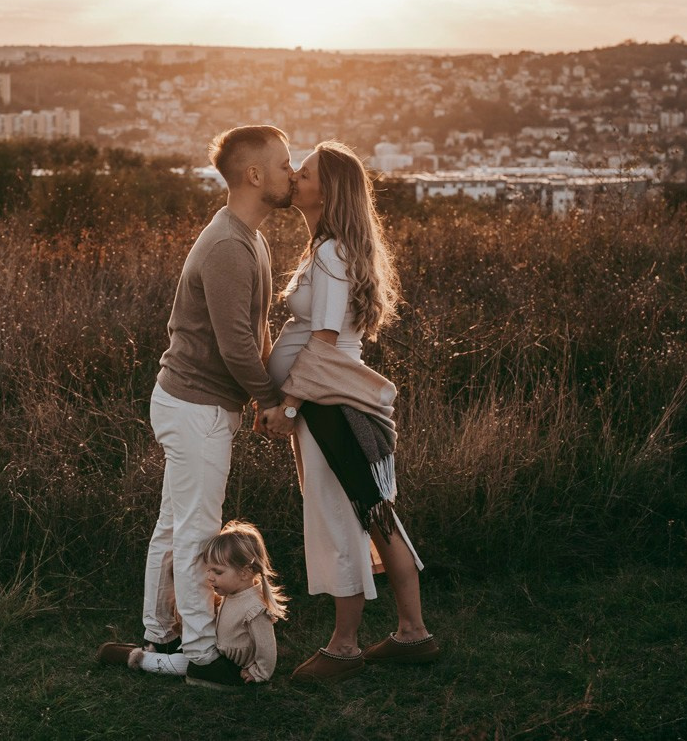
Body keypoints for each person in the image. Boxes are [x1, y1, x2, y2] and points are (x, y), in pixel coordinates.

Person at [97, 125, 296, 690]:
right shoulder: (232, 245)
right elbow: (236, 344)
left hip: (191, 401)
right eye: (284, 164)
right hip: (196, 406)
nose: (292, 172)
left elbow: (248, 333)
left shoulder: (247, 236)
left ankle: (159, 632)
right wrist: (270, 400)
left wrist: (258, 396)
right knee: (196, 532)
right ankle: (204, 658)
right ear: (254, 175)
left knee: (173, 526)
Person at [262, 140, 440, 685]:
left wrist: (288, 405)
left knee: (341, 519)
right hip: (330, 400)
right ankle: (413, 634)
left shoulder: (332, 252)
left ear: (327, 190)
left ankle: (344, 646)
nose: (294, 176)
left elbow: (323, 339)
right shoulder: (326, 248)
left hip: (328, 404)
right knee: (375, 514)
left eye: (306, 172)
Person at [128, 520, 288, 689]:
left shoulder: (255, 609)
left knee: (182, 665)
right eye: (209, 570)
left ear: (245, 572)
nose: (210, 577)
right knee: (186, 660)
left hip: (236, 667)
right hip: (220, 655)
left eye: (217, 572)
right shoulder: (232, 593)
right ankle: (137, 655)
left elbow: (267, 647)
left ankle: (139, 659)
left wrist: (259, 673)